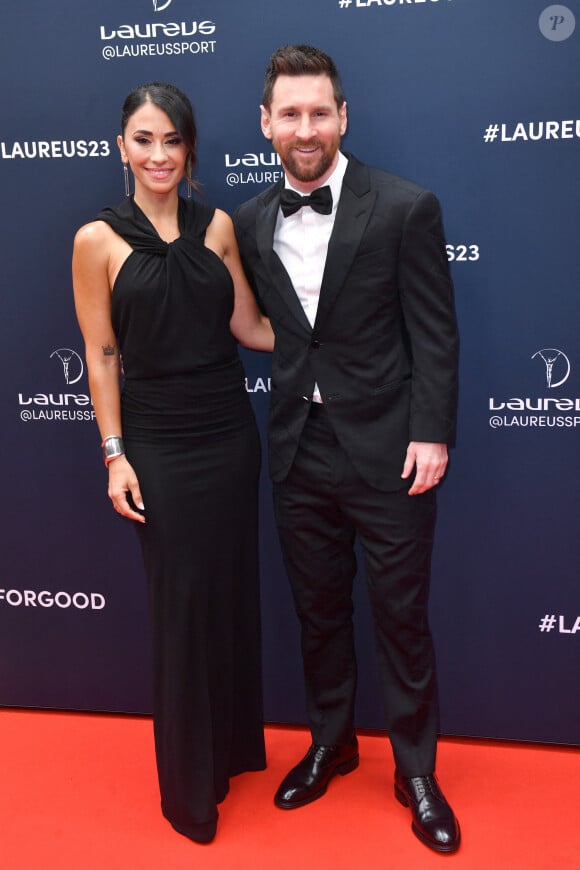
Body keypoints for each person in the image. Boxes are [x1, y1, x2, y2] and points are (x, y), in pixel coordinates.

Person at [234, 45, 461, 854]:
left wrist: (431, 432)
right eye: (289, 114)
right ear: (265, 123)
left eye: (319, 112)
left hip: (394, 452)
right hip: (299, 450)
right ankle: (332, 741)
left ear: (343, 118)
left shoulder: (404, 207)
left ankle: (416, 769)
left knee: (401, 618)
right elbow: (270, 330)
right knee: (319, 612)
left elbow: (434, 334)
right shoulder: (253, 221)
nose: (306, 128)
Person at [72, 81, 274, 844]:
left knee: (225, 597)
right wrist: (114, 455)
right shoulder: (96, 239)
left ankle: (224, 757)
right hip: (157, 444)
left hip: (230, 437)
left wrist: (337, 344)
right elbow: (100, 354)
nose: (159, 154)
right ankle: (188, 792)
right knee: (181, 610)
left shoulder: (217, 223)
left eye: (173, 140)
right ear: (121, 147)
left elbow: (250, 327)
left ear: (190, 148)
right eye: (144, 139)